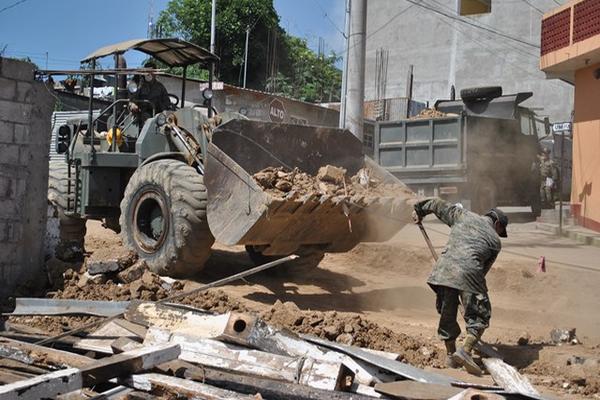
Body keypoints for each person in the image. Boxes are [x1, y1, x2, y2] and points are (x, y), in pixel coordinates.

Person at [412, 198, 508, 375]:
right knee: (480, 316)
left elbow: (436, 204)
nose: (500, 233)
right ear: (497, 223)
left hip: (443, 272)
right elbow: (482, 271)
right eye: (501, 230)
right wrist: (469, 297)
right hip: (469, 275)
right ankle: (465, 350)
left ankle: (450, 356)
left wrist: (419, 210)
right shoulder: (496, 242)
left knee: (447, 313)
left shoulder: (462, 215)